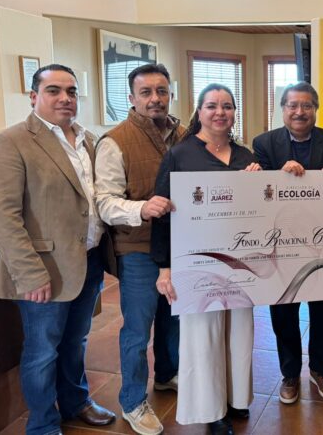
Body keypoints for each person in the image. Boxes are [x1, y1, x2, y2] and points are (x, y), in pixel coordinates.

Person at [0, 64, 116, 435]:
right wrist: (29, 273)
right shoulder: (9, 141)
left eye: (71, 91)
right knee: (42, 351)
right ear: (34, 97)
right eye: (53, 90)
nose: (64, 98)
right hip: (44, 269)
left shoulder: (89, 141)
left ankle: (76, 401)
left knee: (76, 341)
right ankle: (42, 424)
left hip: (88, 261)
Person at [151, 84, 261, 435]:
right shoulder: (180, 155)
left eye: (227, 106)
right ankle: (212, 410)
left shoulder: (246, 156)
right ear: (199, 112)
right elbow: (162, 214)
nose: (220, 112)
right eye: (212, 105)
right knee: (204, 336)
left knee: (239, 332)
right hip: (196, 261)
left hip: (240, 260)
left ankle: (236, 398)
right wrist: (165, 268)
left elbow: (262, 209)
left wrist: (258, 185)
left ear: (234, 113)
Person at [95, 63, 184, 435]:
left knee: (173, 317)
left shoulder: (184, 135)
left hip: (181, 246)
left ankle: (166, 375)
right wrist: (141, 208)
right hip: (138, 248)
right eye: (146, 92)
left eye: (161, 91)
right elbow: (104, 201)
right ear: (131, 98)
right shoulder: (114, 141)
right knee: (137, 328)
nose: (155, 98)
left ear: (170, 94)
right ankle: (133, 400)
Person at [252, 81, 323, 405]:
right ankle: (290, 374)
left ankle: (321, 371)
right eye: (292, 105)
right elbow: (259, 193)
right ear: (283, 109)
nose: (299, 111)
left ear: (315, 109)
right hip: (282, 243)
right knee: (283, 312)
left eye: (306, 105)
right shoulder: (264, 143)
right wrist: (277, 175)